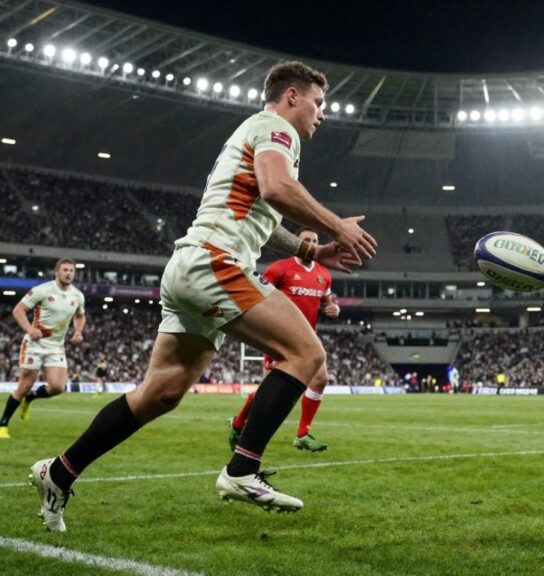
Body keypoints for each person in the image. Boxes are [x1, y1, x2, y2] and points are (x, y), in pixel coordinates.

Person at [29, 60, 377, 532]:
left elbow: (262, 216)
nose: (322, 114)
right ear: (291, 95)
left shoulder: (256, 132)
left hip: (191, 266)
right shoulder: (277, 127)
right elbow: (277, 189)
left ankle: (59, 472)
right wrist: (336, 225)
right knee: (306, 353)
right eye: (318, 103)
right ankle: (242, 470)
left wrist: (313, 248)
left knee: (161, 393)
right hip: (216, 262)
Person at [229, 227, 340, 453]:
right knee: (269, 393)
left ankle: (302, 433)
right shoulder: (280, 268)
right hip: (280, 336)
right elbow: (259, 293)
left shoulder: (323, 274)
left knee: (320, 379)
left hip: (308, 337)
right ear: (296, 243)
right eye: (306, 240)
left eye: (315, 240)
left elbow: (327, 301)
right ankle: (238, 423)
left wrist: (332, 307)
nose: (311, 243)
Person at [0, 258, 86, 439]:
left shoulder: (77, 296)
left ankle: (30, 399)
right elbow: (18, 310)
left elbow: (80, 315)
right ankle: (3, 425)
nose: (69, 273)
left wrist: (78, 331)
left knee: (57, 387)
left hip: (56, 346)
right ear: (57, 272)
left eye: (71, 270)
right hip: (35, 345)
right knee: (24, 385)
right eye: (65, 270)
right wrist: (30, 329)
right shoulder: (42, 290)